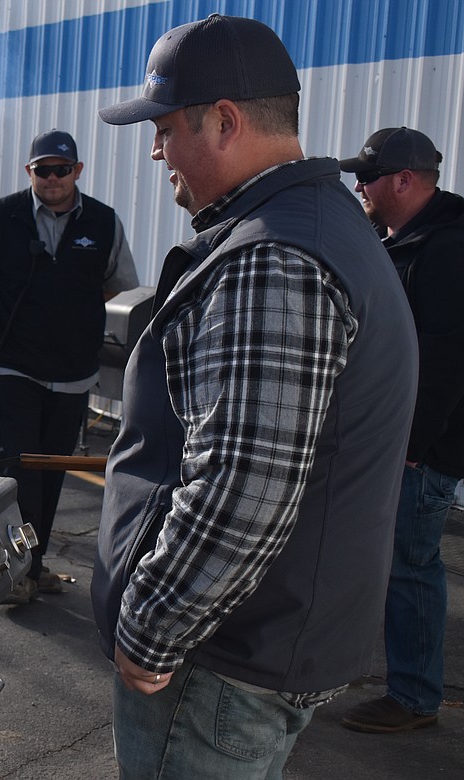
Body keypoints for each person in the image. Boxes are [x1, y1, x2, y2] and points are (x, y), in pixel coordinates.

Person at [92, 14, 418, 777]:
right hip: (257, 650)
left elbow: (244, 484)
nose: (155, 149)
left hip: (216, 668)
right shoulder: (319, 222)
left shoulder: (273, 256)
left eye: (165, 128)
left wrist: (150, 626)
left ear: (225, 121)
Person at [0, 129, 138, 604]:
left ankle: (33, 565)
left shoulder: (103, 221)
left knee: (52, 470)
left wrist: (67, 316)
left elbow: (114, 283)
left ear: (77, 171)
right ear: (29, 172)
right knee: (16, 469)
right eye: (42, 170)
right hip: (13, 364)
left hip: (73, 371)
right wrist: (13, 315)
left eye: (62, 169)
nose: (52, 178)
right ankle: (11, 570)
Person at [335, 128, 464, 734]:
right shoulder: (404, 241)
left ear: (405, 181)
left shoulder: (446, 249)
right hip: (399, 440)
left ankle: (414, 697)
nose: (359, 186)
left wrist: (411, 448)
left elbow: (444, 360)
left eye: (368, 176)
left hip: (423, 449)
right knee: (392, 563)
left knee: (411, 566)